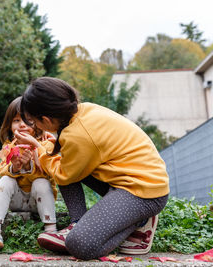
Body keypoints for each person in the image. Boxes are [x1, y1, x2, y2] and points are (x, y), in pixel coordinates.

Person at [15, 77, 169, 260]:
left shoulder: (78, 135)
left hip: (144, 192)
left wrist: (38, 148)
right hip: (126, 177)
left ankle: (140, 220)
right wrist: (45, 148)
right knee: (61, 162)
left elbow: (63, 175)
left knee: (79, 245)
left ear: (46, 119)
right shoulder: (83, 111)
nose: (35, 127)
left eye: (34, 122)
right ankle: (78, 222)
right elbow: (66, 162)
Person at [0, 97, 59, 251]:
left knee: (41, 182)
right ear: (9, 124)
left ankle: (51, 231)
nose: (22, 124)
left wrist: (33, 155)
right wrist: (15, 167)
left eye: (28, 120)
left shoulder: (46, 143)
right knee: (6, 180)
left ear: (38, 122)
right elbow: (1, 170)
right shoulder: (8, 147)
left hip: (37, 201)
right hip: (16, 200)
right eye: (17, 120)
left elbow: (47, 171)